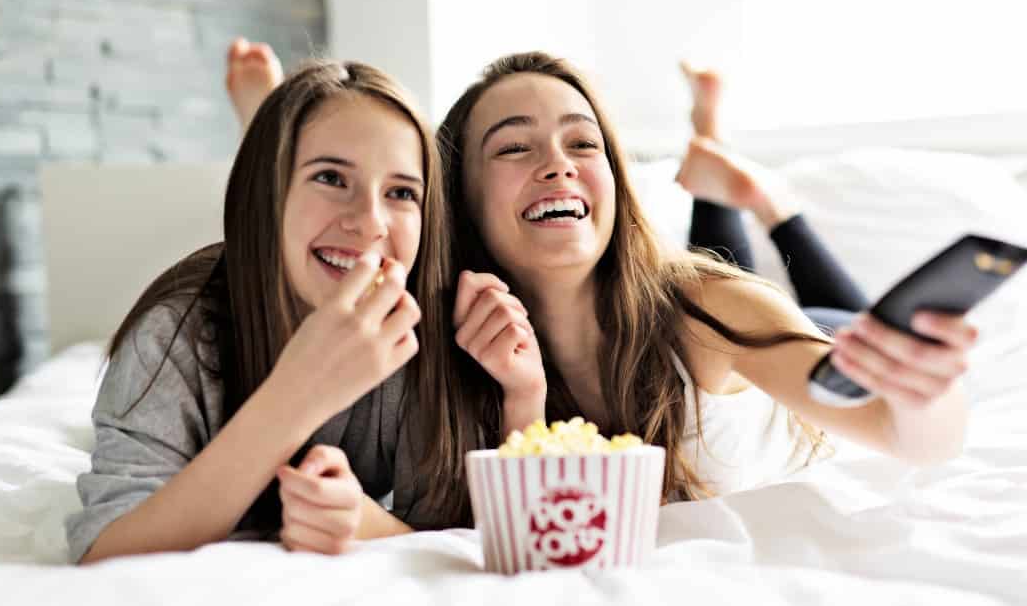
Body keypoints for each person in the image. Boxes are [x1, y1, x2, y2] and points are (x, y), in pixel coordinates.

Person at [441, 52, 977, 502]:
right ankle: (714, 150)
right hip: (715, 321)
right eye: (513, 147)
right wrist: (524, 398)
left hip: (803, 337)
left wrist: (925, 391)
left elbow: (905, 434)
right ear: (458, 199)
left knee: (855, 323)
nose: (559, 165)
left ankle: (775, 207)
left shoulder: (713, 308)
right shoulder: (455, 357)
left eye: (583, 143)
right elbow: (529, 526)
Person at [68, 57, 460, 563]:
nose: (370, 222)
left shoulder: (430, 337)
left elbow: (453, 535)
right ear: (269, 197)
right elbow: (105, 548)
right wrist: (300, 391)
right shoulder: (175, 333)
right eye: (332, 178)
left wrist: (361, 519)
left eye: (402, 192)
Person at [675, 62, 869, 333]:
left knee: (723, 325)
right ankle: (771, 203)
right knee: (871, 341)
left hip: (793, 342)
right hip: (830, 342)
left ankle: (713, 139)